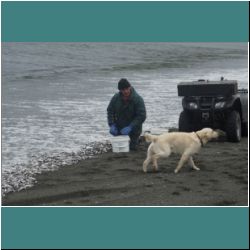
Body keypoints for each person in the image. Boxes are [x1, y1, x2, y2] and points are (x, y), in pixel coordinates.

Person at [107, 78, 146, 150]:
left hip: (134, 129)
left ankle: (137, 140)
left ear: (130, 87)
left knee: (132, 148)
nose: (125, 91)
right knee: (119, 147)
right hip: (120, 127)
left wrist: (130, 127)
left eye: (127, 89)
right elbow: (110, 111)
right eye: (123, 90)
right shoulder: (116, 98)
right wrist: (111, 124)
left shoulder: (138, 99)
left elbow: (142, 116)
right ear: (120, 90)